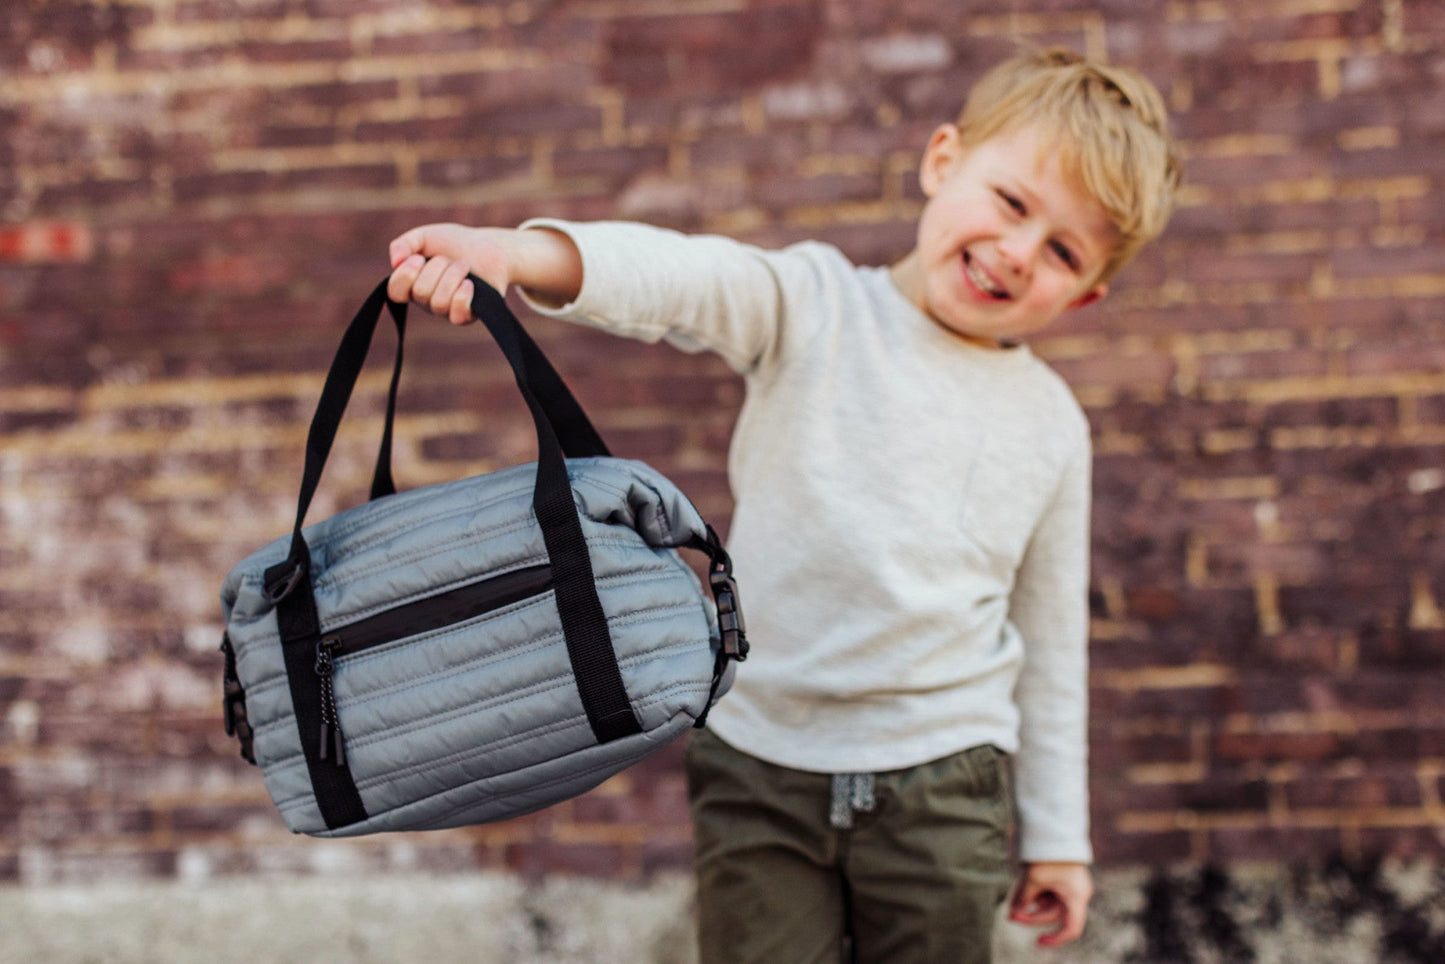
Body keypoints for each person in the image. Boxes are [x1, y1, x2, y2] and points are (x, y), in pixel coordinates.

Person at [385, 45, 1181, 964]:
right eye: (1011, 203)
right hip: (759, 766)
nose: (1016, 252)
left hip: (945, 788)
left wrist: (1060, 839)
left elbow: (1049, 647)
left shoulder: (1050, 426)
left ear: (1085, 296)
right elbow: (679, 277)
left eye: (1060, 251)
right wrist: (513, 255)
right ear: (942, 161)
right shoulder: (812, 305)